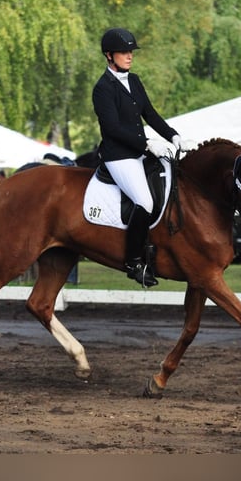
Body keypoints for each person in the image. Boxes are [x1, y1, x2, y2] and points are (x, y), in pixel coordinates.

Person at [92, 27, 189, 287]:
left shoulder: (134, 81)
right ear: (109, 55)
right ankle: (134, 262)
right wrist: (147, 145)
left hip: (138, 152)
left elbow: (150, 114)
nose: (129, 56)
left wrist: (173, 136)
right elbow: (113, 129)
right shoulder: (102, 88)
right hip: (118, 157)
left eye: (131, 52)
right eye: (124, 52)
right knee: (144, 202)